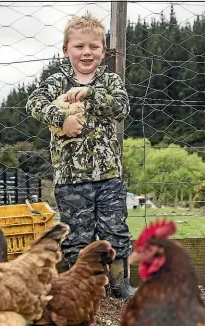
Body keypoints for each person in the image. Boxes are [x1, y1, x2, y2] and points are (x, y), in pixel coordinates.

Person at [26, 12, 135, 299]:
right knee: (76, 235)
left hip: (109, 175)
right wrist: (61, 121)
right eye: (79, 46)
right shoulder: (56, 81)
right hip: (70, 178)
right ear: (66, 50)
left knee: (116, 230)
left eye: (94, 46)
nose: (87, 52)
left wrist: (89, 93)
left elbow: (121, 108)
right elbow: (34, 102)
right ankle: (80, 287)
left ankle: (120, 285)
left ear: (103, 50)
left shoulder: (110, 81)